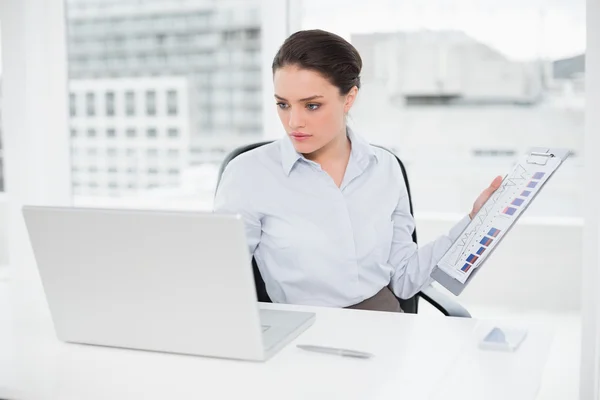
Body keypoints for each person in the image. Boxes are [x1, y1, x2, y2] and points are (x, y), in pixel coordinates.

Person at [214, 29, 501, 312]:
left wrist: (475, 221)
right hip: (300, 329)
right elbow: (221, 279)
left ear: (349, 98)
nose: (293, 122)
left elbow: (405, 279)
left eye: (312, 105)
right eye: (283, 105)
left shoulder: (385, 168)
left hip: (382, 322)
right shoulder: (249, 174)